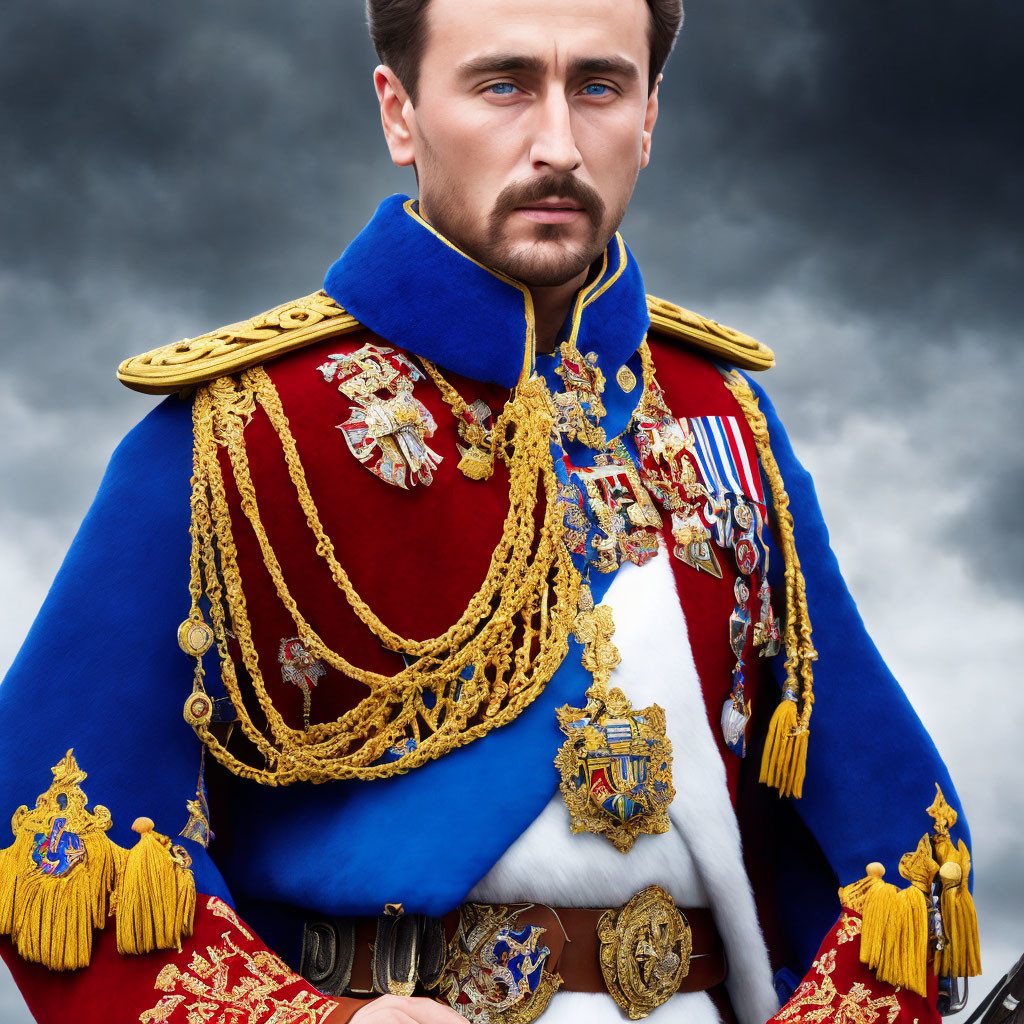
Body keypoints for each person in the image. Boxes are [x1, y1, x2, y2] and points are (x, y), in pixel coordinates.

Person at [0, 1, 981, 1022]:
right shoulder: (242, 432)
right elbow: (61, 833)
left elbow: (894, 850)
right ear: (400, 112)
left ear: (648, 118)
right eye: (503, 84)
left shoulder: (722, 415)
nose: (557, 143)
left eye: (599, 87)